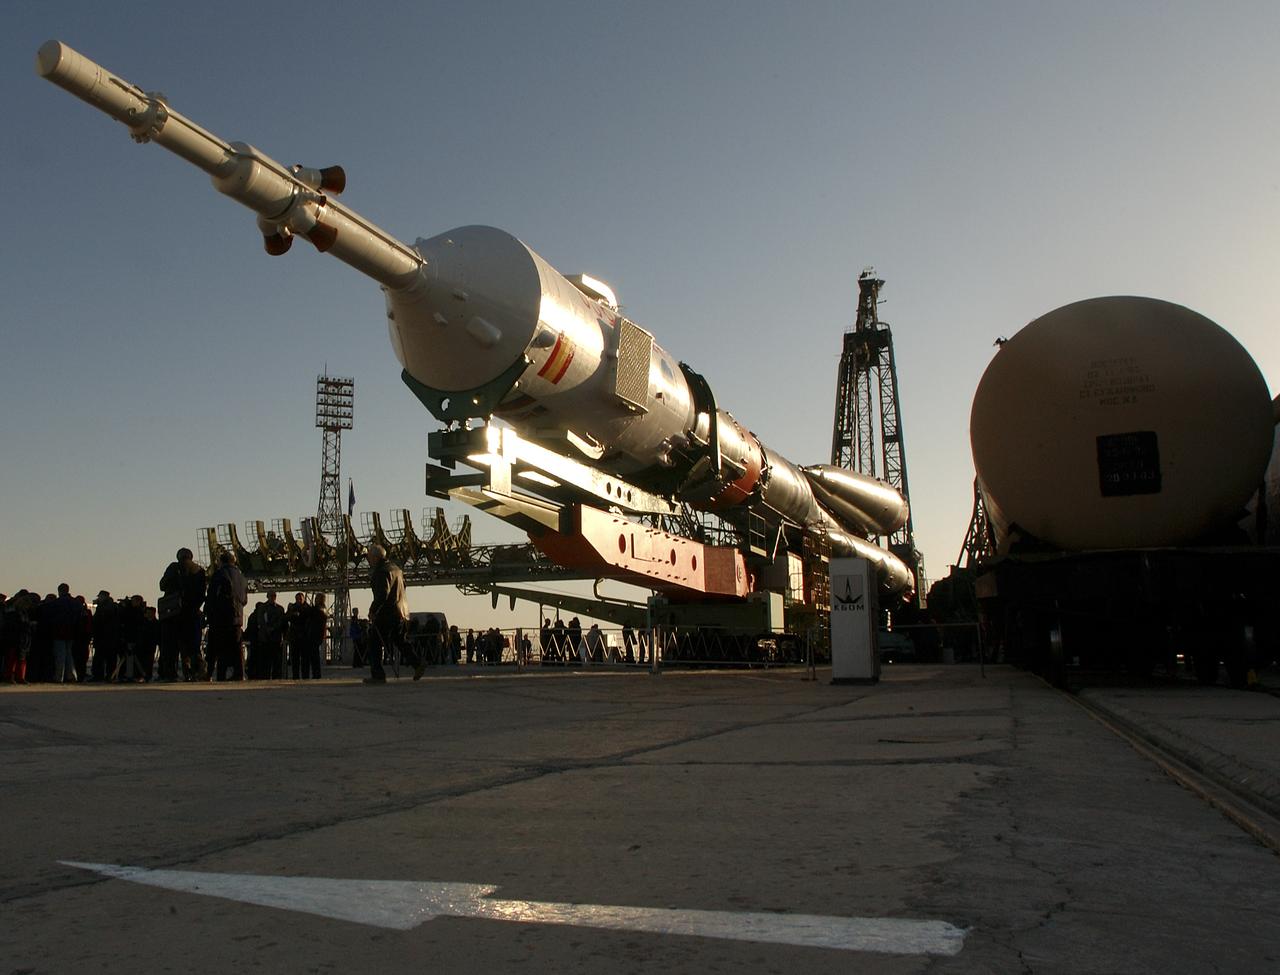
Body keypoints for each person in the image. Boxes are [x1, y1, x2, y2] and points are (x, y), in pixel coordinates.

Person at [365, 543, 418, 683]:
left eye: (369, 557)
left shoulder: (381, 571)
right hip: (400, 611)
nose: (368, 560)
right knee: (399, 640)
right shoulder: (396, 569)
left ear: (375, 557)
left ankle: (378, 675)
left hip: (386, 613)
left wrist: (373, 610)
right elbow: (403, 588)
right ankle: (417, 663)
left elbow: (382, 594)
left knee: (374, 641)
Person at [159, 548, 207, 681]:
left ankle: (170, 674)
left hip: (173, 614)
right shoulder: (199, 570)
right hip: (191, 613)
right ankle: (195, 672)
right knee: (192, 647)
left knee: (170, 647)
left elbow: (162, 585)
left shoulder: (173, 567)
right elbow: (202, 594)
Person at [205, 551, 248, 681]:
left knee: (221, 648)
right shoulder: (242, 577)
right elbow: (244, 600)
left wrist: (208, 613)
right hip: (238, 618)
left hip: (222, 618)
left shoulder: (219, 574)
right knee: (237, 648)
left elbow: (212, 597)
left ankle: (221, 675)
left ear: (221, 562)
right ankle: (239, 673)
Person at [257, 591, 286, 678]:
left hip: (276, 638)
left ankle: (276, 677)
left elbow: (281, 622)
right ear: (267, 596)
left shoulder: (280, 609)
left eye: (274, 596)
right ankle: (265, 677)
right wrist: (267, 629)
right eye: (271, 595)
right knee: (265, 662)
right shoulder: (262, 608)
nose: (273, 597)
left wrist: (273, 628)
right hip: (265, 638)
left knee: (277, 661)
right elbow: (260, 620)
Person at [285, 593, 309, 680]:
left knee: (304, 659)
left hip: (304, 637)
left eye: (300, 599)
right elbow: (286, 617)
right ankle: (295, 676)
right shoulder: (292, 607)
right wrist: (291, 613)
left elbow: (309, 619)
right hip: (294, 636)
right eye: (297, 599)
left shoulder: (307, 608)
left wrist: (300, 614)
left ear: (303, 599)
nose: (298, 601)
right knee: (294, 658)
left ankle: (305, 676)